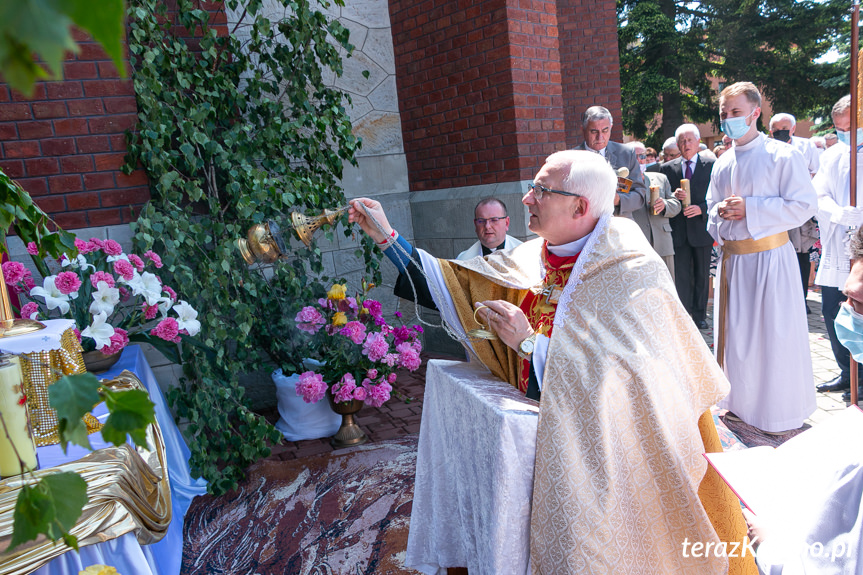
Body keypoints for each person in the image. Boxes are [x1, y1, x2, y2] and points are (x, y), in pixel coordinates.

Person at [349, 150, 754, 574]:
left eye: (540, 190)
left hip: (619, 468)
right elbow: (454, 286)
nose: (527, 199)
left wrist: (530, 345)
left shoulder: (631, 269)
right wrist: (387, 238)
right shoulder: (534, 256)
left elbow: (631, 384)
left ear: (580, 206)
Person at [707, 81, 818, 434]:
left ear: (756, 113)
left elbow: (804, 205)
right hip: (734, 263)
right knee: (738, 338)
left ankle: (776, 412)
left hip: (771, 260)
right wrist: (720, 213)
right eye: (724, 114)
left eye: (736, 113)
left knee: (773, 336)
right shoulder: (722, 162)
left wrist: (751, 209)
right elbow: (711, 210)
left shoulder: (782, 155)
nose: (729, 120)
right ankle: (739, 403)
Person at [812, 95, 863, 399]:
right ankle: (847, 371)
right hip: (838, 240)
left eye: (851, 126)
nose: (846, 133)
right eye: (840, 128)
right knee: (833, 309)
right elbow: (818, 194)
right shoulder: (832, 156)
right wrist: (838, 212)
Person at [659, 123, 715, 330]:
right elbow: (664, 198)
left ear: (698, 142)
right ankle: (683, 315)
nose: (686, 144)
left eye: (689, 140)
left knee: (702, 274)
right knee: (681, 275)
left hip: (701, 229)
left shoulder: (711, 165)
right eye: (682, 141)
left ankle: (700, 315)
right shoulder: (667, 168)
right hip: (679, 231)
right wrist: (673, 197)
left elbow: (718, 197)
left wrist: (701, 208)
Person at [769, 113, 821, 314]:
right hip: (776, 210)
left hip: (799, 210)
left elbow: (814, 172)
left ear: (793, 128)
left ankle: (801, 299)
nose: (780, 131)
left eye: (784, 127)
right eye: (775, 128)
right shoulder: (766, 147)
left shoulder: (806, 146)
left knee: (801, 255)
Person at [575, 106, 648, 236]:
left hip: (620, 229)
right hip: (584, 232)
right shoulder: (571, 158)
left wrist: (618, 199)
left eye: (605, 130)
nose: (600, 137)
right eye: (594, 131)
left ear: (611, 127)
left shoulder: (625, 153)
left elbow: (640, 195)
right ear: (583, 129)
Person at [628, 141, 681, 277]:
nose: (640, 160)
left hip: (663, 243)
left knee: (667, 288)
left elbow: (676, 205)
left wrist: (665, 204)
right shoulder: (622, 184)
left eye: (643, 156)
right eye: (636, 156)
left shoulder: (660, 178)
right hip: (637, 245)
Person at [456, 197, 522, 260]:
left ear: (506, 223)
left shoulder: (525, 253)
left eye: (494, 220)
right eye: (481, 221)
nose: (487, 226)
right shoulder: (463, 259)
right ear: (475, 224)